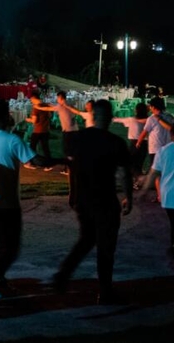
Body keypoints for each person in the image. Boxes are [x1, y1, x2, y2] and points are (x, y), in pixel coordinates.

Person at [0, 98, 61, 311]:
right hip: (8, 203)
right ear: (7, 116)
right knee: (10, 249)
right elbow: (36, 161)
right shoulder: (13, 141)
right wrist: (62, 161)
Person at [51, 99, 133, 305]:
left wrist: (73, 193)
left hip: (84, 199)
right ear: (111, 118)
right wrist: (128, 197)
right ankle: (104, 291)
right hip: (105, 199)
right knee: (106, 247)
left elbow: (70, 165)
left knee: (86, 239)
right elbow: (124, 174)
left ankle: (63, 274)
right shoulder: (116, 143)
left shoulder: (77, 139)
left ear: (92, 116)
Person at [139, 131, 174, 259]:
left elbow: (153, 174)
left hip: (169, 195)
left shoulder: (163, 151)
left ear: (171, 135)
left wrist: (144, 191)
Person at [134, 97, 174, 202]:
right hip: (169, 148)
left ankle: (160, 196)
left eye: (150, 106)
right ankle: (164, 193)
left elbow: (144, 132)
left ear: (153, 107)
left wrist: (138, 142)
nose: (150, 108)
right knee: (166, 172)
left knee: (156, 174)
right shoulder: (169, 116)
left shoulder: (152, 118)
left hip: (155, 149)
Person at [113, 102, 149, 188]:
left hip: (134, 144)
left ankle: (139, 180)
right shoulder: (148, 120)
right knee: (139, 163)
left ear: (136, 110)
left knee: (131, 163)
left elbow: (118, 119)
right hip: (144, 144)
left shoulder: (132, 120)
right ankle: (138, 182)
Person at [25, 91, 52, 171]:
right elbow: (50, 115)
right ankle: (49, 164)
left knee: (32, 147)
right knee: (45, 148)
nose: (31, 100)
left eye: (31, 99)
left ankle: (31, 163)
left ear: (33, 98)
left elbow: (34, 121)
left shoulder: (36, 107)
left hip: (38, 130)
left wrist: (27, 119)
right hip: (45, 129)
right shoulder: (46, 105)